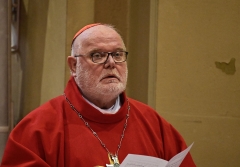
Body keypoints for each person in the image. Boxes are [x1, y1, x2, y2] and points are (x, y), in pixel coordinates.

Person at [0, 23, 196, 167]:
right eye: (98, 55)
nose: (111, 63)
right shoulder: (37, 129)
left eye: (118, 54)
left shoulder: (154, 124)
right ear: (74, 66)